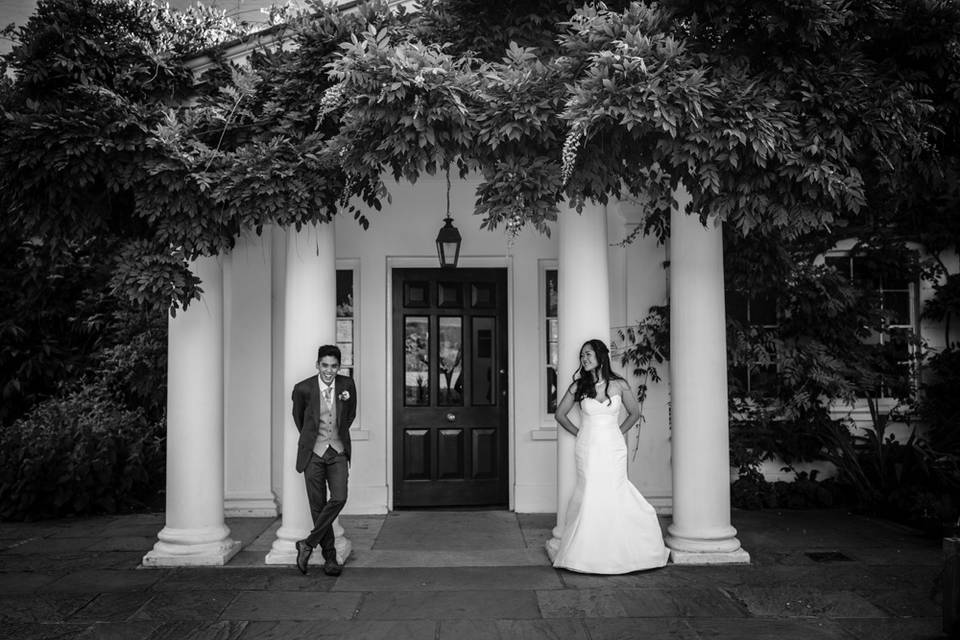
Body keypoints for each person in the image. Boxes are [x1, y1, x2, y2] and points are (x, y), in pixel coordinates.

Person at [551, 338, 670, 574]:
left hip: (613, 447)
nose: (584, 359)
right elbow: (560, 415)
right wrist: (580, 432)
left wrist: (619, 431)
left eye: (588, 354)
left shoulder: (619, 385)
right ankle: (586, 552)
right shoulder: (578, 386)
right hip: (587, 448)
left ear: (600, 356)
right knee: (591, 491)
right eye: (582, 356)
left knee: (615, 490)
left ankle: (624, 550)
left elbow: (635, 413)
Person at [291, 344, 357, 576]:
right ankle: (330, 558)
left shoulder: (347, 385)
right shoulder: (303, 389)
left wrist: (334, 437)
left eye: (334, 366)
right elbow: (300, 419)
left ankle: (307, 544)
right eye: (325, 365)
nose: (329, 370)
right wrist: (314, 441)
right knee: (318, 506)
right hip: (313, 454)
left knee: (339, 497)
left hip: (337, 451)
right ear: (317, 364)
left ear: (339, 367)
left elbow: (349, 415)